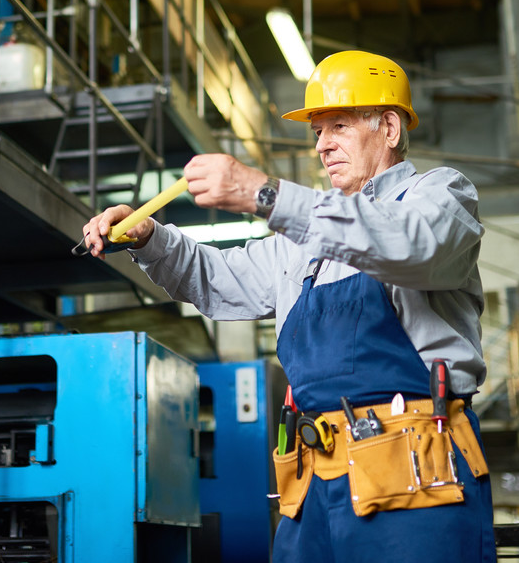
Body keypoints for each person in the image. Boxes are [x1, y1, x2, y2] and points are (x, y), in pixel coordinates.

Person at [81, 50, 494, 562]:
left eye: (337, 126)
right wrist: (150, 239)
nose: (322, 145)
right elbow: (219, 280)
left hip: (416, 475)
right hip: (315, 482)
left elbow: (406, 244)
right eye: (317, 132)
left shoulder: (438, 196)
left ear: (389, 127)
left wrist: (264, 193)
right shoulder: (302, 244)